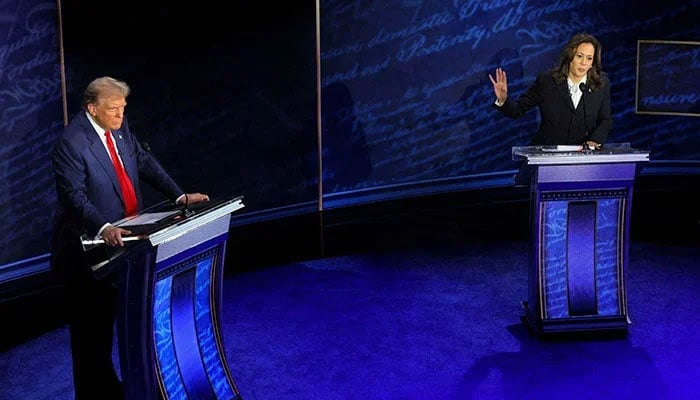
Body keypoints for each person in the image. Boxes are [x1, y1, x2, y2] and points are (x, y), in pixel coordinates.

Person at [50, 76, 209, 399]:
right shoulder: (71, 142)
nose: (120, 116)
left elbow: (143, 160)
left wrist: (178, 197)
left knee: (117, 322)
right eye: (113, 110)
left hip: (127, 244)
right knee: (91, 334)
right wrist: (104, 226)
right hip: (88, 250)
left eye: (123, 108)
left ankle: (114, 390)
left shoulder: (119, 128)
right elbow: (74, 196)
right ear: (91, 108)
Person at [489, 33, 611, 149]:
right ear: (570, 56)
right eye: (579, 56)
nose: (584, 63)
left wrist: (594, 140)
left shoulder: (601, 84)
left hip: (581, 158)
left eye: (589, 58)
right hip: (547, 156)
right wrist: (503, 99)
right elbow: (517, 110)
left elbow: (605, 119)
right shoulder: (547, 82)